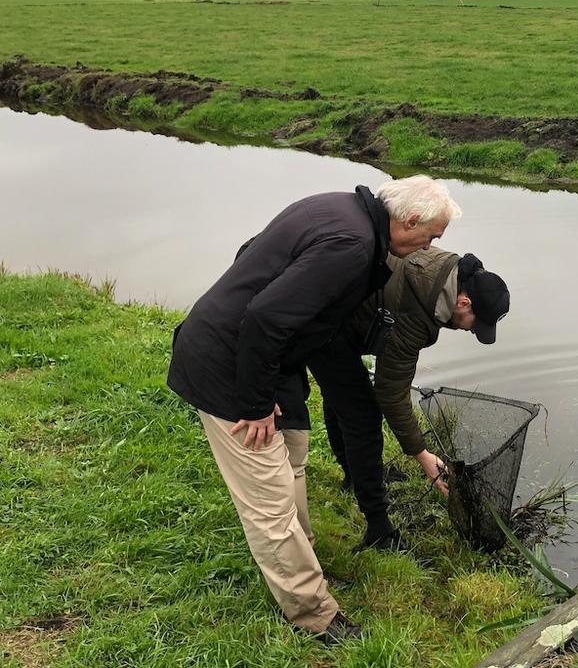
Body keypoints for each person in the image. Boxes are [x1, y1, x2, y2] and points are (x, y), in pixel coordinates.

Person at [166, 176, 461, 643]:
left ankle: (305, 568)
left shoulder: (342, 209)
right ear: (409, 221)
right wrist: (257, 403)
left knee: (295, 454)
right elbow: (264, 316)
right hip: (229, 364)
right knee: (268, 498)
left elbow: (252, 254)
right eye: (432, 236)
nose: (431, 246)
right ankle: (313, 613)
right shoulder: (352, 243)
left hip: (267, 359)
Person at [307, 247, 510, 551]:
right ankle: (380, 532)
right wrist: (421, 454)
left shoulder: (447, 270)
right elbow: (391, 393)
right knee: (363, 415)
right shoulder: (418, 312)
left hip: (336, 310)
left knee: (344, 395)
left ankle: (353, 475)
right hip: (321, 320)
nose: (471, 331)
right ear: (463, 302)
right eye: (474, 323)